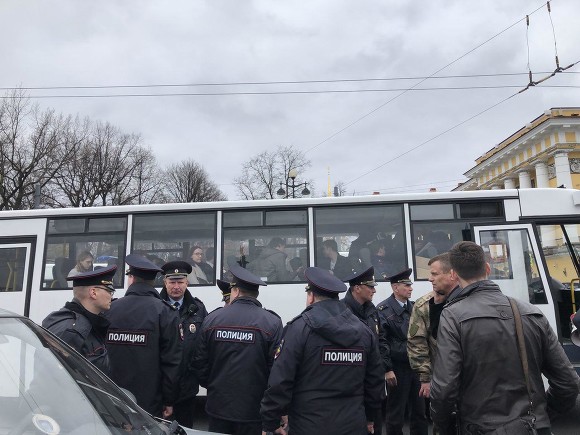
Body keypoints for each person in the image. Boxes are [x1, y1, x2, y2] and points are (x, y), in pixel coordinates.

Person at [430, 241, 580, 435]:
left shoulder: (452, 316)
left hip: (479, 428)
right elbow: (568, 382)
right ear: (487, 269)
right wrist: (543, 415)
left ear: (453, 274)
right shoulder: (530, 311)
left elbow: (444, 389)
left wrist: (443, 426)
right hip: (533, 427)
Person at [261, 267, 384, 435]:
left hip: (308, 426)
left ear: (311, 296)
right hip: (353, 424)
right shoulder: (364, 332)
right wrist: (371, 418)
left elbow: (281, 380)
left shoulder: (298, 329)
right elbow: (374, 383)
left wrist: (270, 421)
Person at [193, 264, 283, 435]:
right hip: (254, 410)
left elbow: (199, 363)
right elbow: (276, 370)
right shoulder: (272, 322)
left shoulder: (213, 319)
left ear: (235, 291)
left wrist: (214, 385)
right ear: (256, 294)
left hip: (218, 406)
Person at [106, 254, 182, 419]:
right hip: (150, 401)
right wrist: (169, 400)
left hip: (113, 397)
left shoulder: (111, 308)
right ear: (153, 281)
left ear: (131, 278)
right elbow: (171, 362)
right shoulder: (165, 312)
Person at [377, 268, 427, 435]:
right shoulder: (383, 310)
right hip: (397, 367)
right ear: (395, 287)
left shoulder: (414, 307)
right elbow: (381, 342)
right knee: (396, 412)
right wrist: (388, 369)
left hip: (416, 366)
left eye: (410, 285)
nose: (410, 288)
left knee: (420, 411)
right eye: (406, 285)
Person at [42, 265, 117, 375]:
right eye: (109, 291)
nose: (111, 296)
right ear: (93, 293)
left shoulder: (88, 323)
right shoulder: (73, 330)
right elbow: (54, 377)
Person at [160, 260, 208, 429]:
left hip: (187, 386)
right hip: (160, 387)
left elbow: (204, 345)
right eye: (172, 282)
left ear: (187, 282)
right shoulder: (156, 307)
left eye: (180, 282)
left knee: (185, 429)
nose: (176, 286)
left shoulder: (198, 309)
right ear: (165, 282)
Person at [342, 266, 389, 435]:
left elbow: (381, 339)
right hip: (351, 381)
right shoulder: (341, 311)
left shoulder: (372, 309)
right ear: (357, 288)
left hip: (372, 380)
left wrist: (385, 366)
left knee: (374, 425)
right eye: (370, 287)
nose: (374, 290)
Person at [407, 253, 459, 400]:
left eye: (434, 274)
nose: (430, 278)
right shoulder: (424, 305)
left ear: (452, 274)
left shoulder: (469, 300)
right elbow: (416, 342)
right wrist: (425, 378)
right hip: (440, 379)